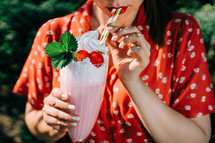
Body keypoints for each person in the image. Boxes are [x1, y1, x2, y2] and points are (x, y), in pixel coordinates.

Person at [13, 0, 215, 142]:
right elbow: (34, 119)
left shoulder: (181, 31)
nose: (116, 1)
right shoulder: (54, 32)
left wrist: (133, 81)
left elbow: (197, 138)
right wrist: (52, 125)